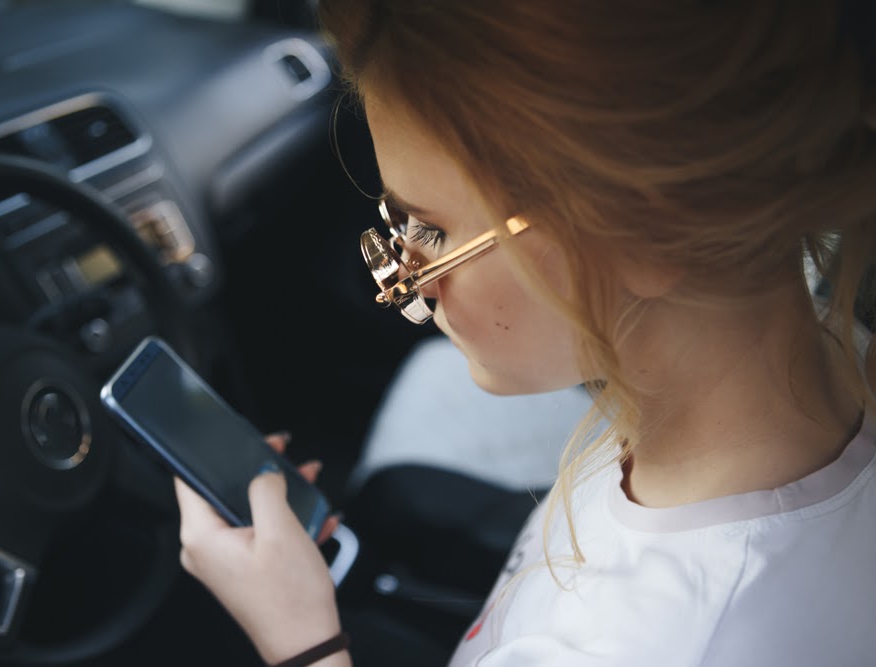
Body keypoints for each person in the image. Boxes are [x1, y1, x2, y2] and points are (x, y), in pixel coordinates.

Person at [172, 1, 876, 665]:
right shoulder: (825, 359)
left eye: (433, 229)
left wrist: (301, 638)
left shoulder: (642, 643)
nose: (402, 276)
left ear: (643, 231)